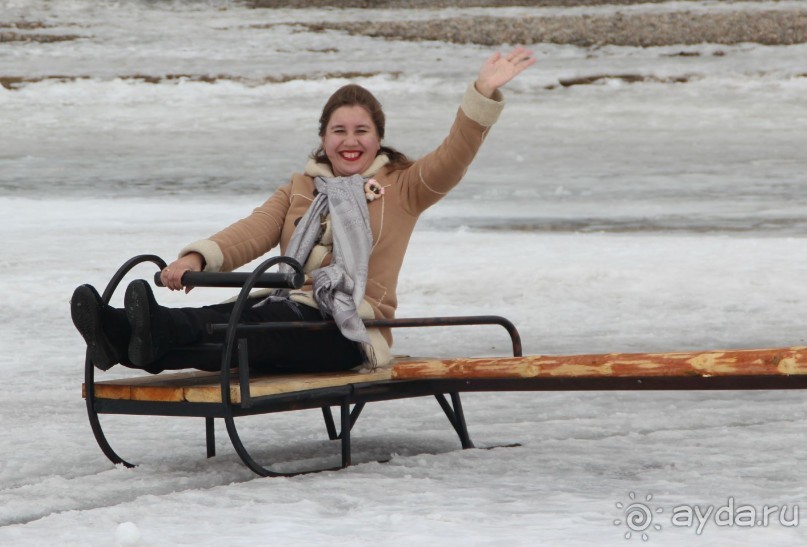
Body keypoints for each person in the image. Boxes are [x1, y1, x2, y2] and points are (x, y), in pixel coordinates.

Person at [71, 48, 536, 374]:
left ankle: (139, 327)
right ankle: (121, 336)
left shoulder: (405, 186)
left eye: (361, 130)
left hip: (349, 329)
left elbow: (454, 155)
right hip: (284, 309)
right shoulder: (300, 189)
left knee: (242, 325)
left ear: (378, 137)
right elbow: (252, 231)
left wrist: (480, 92)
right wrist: (194, 259)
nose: (350, 141)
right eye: (339, 130)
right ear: (323, 137)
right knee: (232, 325)